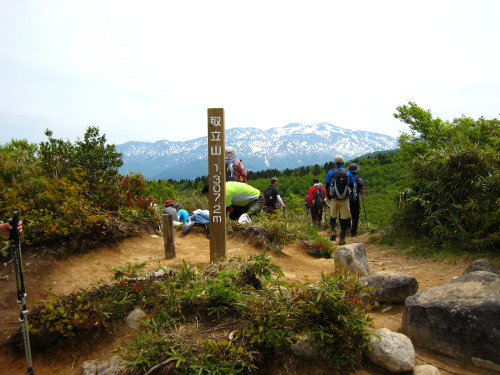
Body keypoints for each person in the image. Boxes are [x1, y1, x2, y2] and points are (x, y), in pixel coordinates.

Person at [324, 155, 355, 245]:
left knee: (333, 216)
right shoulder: (347, 172)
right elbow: (352, 185)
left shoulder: (331, 172)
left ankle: (333, 231)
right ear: (343, 163)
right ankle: (342, 237)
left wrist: (329, 196)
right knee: (344, 219)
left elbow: (327, 185)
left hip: (334, 199)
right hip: (344, 199)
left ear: (334, 163)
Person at [347, 163, 365, 237]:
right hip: (355, 199)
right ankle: (353, 232)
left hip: (346, 199)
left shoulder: (346, 178)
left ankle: (347, 230)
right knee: (355, 216)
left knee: (347, 215)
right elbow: (362, 192)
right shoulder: (359, 179)